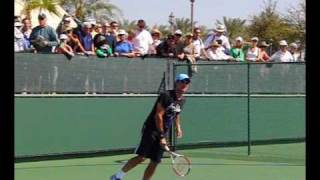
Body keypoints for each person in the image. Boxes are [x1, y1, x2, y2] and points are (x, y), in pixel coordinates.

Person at [110, 73, 191, 180]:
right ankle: (117, 176)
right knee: (142, 157)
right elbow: (158, 115)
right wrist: (161, 136)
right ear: (176, 83)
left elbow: (176, 113)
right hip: (151, 129)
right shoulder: (166, 96)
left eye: (187, 82)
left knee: (155, 161)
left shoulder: (182, 100)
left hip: (163, 131)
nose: (184, 84)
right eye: (182, 82)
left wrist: (178, 126)